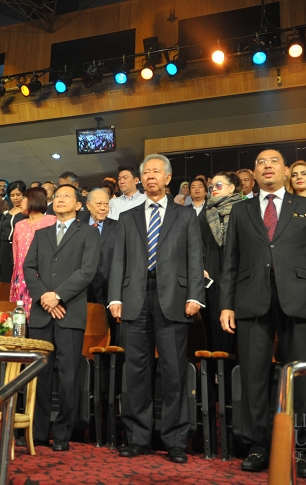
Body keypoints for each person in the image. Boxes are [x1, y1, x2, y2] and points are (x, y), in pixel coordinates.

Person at [219, 149, 306, 478]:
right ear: (253, 175)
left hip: (299, 300)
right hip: (250, 299)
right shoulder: (240, 211)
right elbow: (230, 263)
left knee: (300, 378)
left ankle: (303, 450)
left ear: (287, 171)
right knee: (253, 377)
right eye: (260, 162)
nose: (267, 166)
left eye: (273, 162)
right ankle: (257, 445)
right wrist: (226, 304)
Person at [108, 154, 205, 464]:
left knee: (174, 372)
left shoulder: (185, 215)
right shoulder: (128, 216)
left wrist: (195, 295)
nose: (150, 176)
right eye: (145, 172)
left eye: (156, 172)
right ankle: (138, 438)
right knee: (135, 372)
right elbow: (118, 260)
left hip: (174, 298)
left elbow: (194, 257)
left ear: (168, 178)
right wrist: (115, 298)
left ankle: (176, 440)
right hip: (135, 298)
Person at [23, 184, 100, 451]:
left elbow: (87, 271)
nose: (60, 199)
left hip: (69, 311)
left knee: (68, 376)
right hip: (42, 312)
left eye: (67, 196)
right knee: (39, 374)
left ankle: (63, 433)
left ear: (79, 205)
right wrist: (45, 296)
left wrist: (58, 295)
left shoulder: (88, 233)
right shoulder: (42, 233)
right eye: (57, 196)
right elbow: (28, 266)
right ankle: (39, 431)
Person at [200, 172, 244, 355]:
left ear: (232, 187)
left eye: (218, 185)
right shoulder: (204, 213)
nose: (213, 190)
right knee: (213, 322)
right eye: (211, 187)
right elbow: (197, 244)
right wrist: (200, 267)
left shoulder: (245, 209)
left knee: (239, 321)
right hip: (212, 273)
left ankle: (237, 371)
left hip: (239, 272)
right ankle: (216, 374)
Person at [10, 187, 57, 317]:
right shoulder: (19, 224)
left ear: (33, 199)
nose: (20, 200)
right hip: (21, 278)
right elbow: (16, 253)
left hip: (42, 278)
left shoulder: (52, 221)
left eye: (24, 197)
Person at [84, 188, 119, 343]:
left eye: (106, 204)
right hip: (84, 289)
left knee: (113, 335)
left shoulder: (119, 227)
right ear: (88, 205)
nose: (103, 207)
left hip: (110, 287)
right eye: (99, 204)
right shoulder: (78, 228)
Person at [0, 181, 27, 284]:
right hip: (4, 251)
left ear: (24, 195)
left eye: (18, 195)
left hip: (20, 250)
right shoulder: (6, 214)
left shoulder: (27, 214)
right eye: (12, 195)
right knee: (3, 281)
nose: (15, 198)